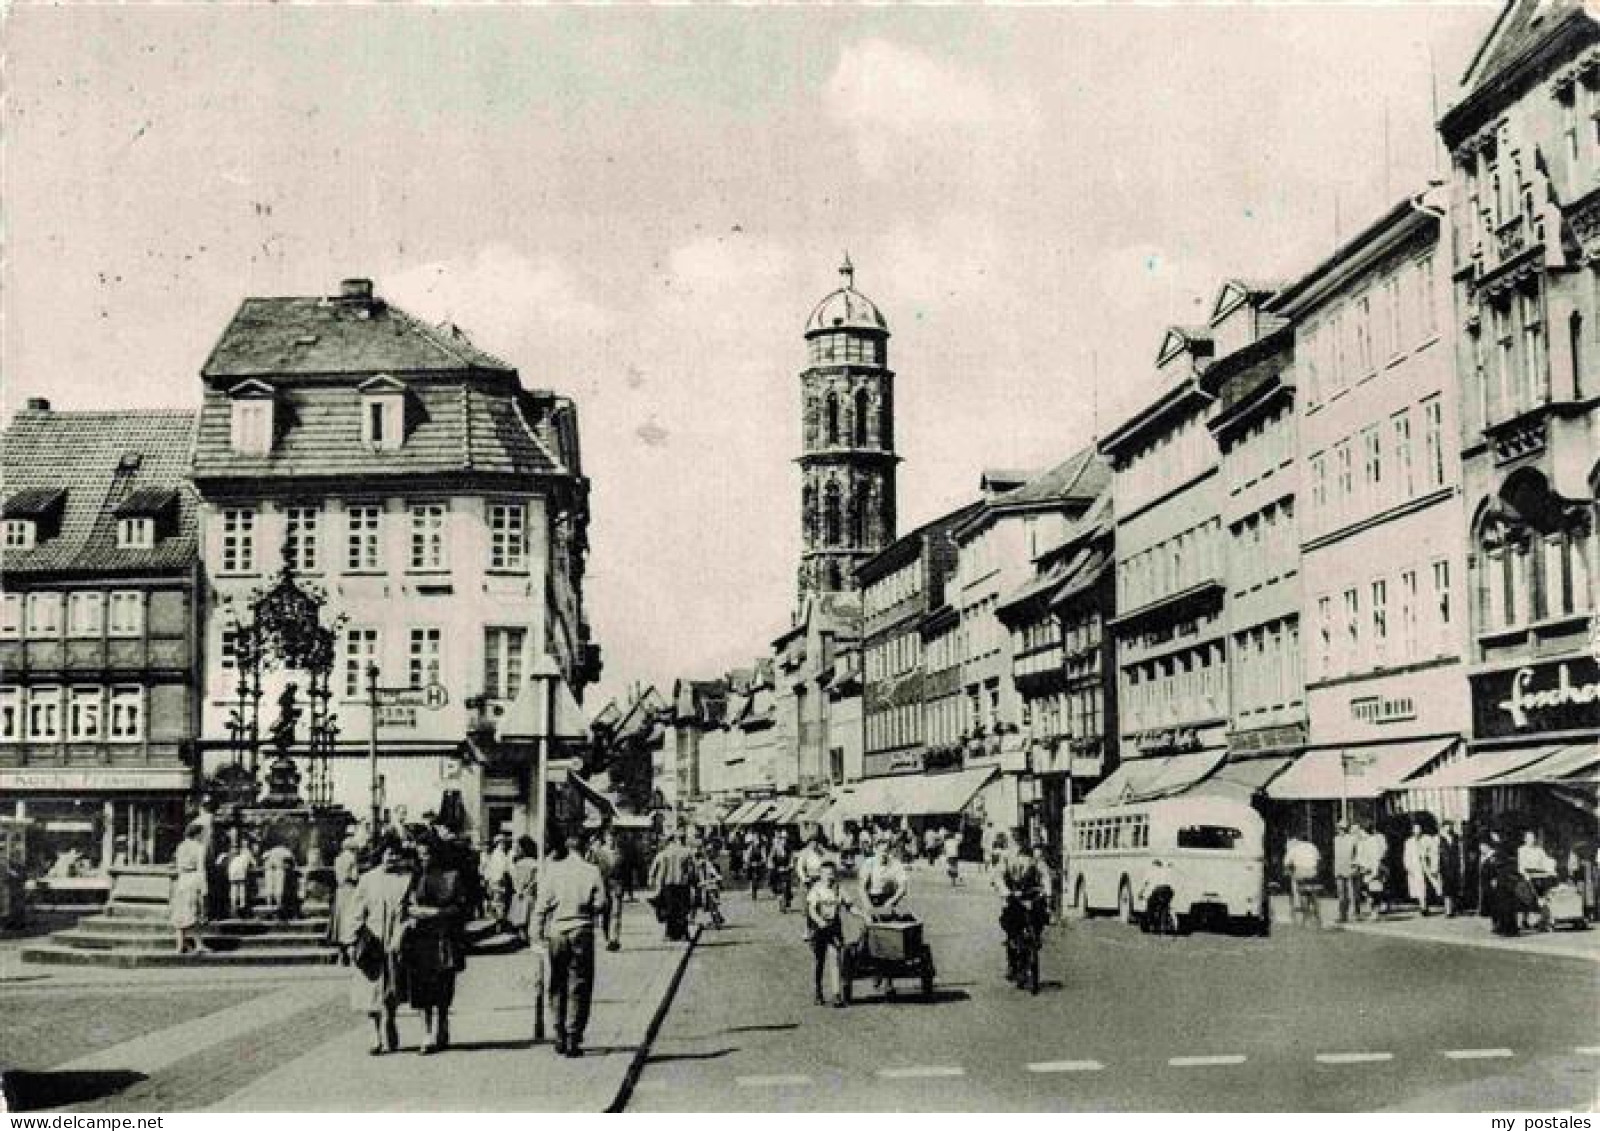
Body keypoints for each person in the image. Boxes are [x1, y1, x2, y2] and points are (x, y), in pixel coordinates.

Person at [536, 829, 608, 1058]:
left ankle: (558, 1034)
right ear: (586, 848)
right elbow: (601, 903)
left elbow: (541, 904)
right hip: (581, 930)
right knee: (579, 984)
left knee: (557, 982)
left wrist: (536, 933)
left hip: (557, 932)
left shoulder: (553, 870)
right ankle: (572, 1036)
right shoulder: (592, 871)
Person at [403, 835, 468, 1055]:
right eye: (419, 854)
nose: (423, 859)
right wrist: (413, 911)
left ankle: (442, 1025)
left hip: (444, 937)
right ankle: (427, 1033)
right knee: (422, 987)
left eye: (427, 853)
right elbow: (407, 903)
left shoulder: (452, 876)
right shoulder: (416, 876)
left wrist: (437, 913)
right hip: (421, 938)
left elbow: (460, 907)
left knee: (443, 986)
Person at [351, 835, 414, 1055]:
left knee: (392, 990)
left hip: (395, 942)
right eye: (388, 853)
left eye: (396, 854)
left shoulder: (406, 879)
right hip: (372, 943)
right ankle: (374, 1034)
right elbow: (357, 913)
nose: (392, 858)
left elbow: (410, 912)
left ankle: (390, 1023)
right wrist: (353, 940)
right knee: (370, 990)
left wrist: (402, 933)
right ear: (381, 855)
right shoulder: (367, 879)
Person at [806, 858, 853, 1007]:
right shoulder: (816, 889)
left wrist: (863, 914)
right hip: (819, 928)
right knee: (819, 961)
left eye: (832, 874)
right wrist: (819, 921)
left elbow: (850, 906)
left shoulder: (839, 888)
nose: (829, 877)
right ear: (820, 875)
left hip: (834, 927)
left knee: (835, 959)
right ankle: (818, 991)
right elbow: (812, 910)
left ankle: (836, 994)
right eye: (826, 874)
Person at [997, 842, 1048, 979]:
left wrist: (1046, 892)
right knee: (1010, 924)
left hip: (1031, 896)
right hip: (1014, 897)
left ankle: (1036, 935)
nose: (1025, 861)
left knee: (1041, 913)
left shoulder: (1037, 863)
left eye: (1028, 858)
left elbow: (1046, 877)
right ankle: (1012, 963)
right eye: (1022, 857)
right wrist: (1006, 892)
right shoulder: (1008, 861)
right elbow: (999, 877)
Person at [168, 822, 209, 955]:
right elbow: (201, 867)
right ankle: (199, 944)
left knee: (181, 913)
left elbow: (178, 867)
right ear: (197, 834)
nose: (203, 835)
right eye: (202, 833)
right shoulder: (199, 847)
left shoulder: (181, 846)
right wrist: (204, 887)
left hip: (182, 880)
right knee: (194, 913)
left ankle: (180, 945)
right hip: (193, 878)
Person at [648, 831, 696, 942]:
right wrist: (692, 880)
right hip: (683, 884)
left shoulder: (664, 853)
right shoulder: (687, 852)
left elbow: (654, 867)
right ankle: (684, 934)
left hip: (667, 884)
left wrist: (651, 879)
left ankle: (670, 934)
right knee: (683, 909)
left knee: (670, 909)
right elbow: (692, 869)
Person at [587, 827, 623, 951]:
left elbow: (625, 869)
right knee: (605, 914)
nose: (611, 840)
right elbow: (591, 868)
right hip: (602, 885)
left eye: (613, 837)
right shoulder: (598, 853)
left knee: (616, 913)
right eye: (609, 837)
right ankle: (607, 938)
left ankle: (615, 939)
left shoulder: (620, 853)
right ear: (605, 838)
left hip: (616, 885)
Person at [327, 835, 361, 963]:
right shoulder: (352, 858)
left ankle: (341, 954)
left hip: (340, 890)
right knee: (351, 918)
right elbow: (354, 876)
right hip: (350, 890)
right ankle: (350, 952)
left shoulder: (338, 859)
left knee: (341, 920)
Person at [1517, 830, 1556, 931]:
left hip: (1540, 875)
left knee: (1544, 896)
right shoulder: (1521, 850)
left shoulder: (1539, 850)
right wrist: (1525, 874)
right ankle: (1524, 920)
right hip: (1527, 875)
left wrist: (1551, 869)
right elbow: (1520, 865)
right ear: (1525, 839)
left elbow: (1546, 861)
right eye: (1529, 838)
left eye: (1533, 838)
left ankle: (1544, 919)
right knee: (1528, 896)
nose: (1531, 840)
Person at [861, 837, 910, 915]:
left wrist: (891, 902)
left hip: (890, 898)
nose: (884, 855)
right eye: (881, 851)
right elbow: (862, 888)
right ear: (875, 850)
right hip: (872, 899)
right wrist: (869, 907)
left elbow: (903, 887)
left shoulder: (896, 864)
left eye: (886, 851)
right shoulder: (868, 863)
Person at [508, 835, 540, 946]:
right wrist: (528, 888)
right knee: (529, 916)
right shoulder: (535, 863)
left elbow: (513, 879)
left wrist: (518, 890)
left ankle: (523, 937)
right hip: (528, 893)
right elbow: (536, 880)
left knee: (521, 917)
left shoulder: (518, 864)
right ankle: (528, 937)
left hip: (519, 893)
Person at [1284, 835, 1321, 926]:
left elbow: (1287, 862)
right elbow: (1318, 859)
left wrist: (1290, 870)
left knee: (1302, 893)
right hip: (1312, 872)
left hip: (1301, 871)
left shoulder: (1295, 848)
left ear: (1299, 840)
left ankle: (1305, 916)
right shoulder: (1313, 847)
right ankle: (1317, 915)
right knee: (1313, 892)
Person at [1357, 823, 1389, 919]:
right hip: (1365, 869)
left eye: (1361, 831)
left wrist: (1374, 871)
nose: (1359, 833)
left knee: (1375, 892)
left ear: (1365, 831)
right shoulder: (1363, 842)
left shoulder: (1373, 841)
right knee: (1367, 891)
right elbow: (1360, 856)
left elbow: (1376, 857)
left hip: (1373, 870)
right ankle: (1373, 911)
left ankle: (1375, 912)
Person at [1332, 822, 1358, 923]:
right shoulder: (1336, 839)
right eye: (1339, 828)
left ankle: (1353, 914)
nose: (1340, 830)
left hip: (1350, 869)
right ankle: (1342, 914)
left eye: (1342, 828)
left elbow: (1357, 853)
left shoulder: (1352, 839)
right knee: (1341, 893)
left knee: (1352, 893)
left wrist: (1355, 864)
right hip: (1339, 869)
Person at [262, 840, 296, 917]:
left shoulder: (270, 851)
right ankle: (278, 905)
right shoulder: (284, 850)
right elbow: (292, 859)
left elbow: (263, 857)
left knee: (269, 888)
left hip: (269, 870)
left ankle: (269, 906)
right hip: (279, 869)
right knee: (279, 888)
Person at [227, 837, 257, 917]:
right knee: (242, 888)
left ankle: (233, 905)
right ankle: (242, 906)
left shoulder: (232, 852)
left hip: (232, 870)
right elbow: (254, 863)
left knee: (233, 888)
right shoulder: (247, 852)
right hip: (240, 870)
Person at [1438, 821, 1463, 918]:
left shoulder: (1456, 838)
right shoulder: (1439, 839)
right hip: (1444, 867)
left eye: (1450, 827)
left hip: (1455, 866)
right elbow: (1436, 853)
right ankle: (1448, 911)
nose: (1449, 829)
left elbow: (1460, 853)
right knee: (1446, 889)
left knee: (1454, 888)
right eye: (1447, 827)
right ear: (1443, 828)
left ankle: (1454, 908)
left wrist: (1460, 865)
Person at [1401, 824, 1428, 914]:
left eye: (1419, 831)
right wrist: (1408, 866)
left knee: (1424, 887)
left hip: (1425, 866)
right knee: (1420, 887)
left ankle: (1424, 906)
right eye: (1415, 831)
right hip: (1415, 867)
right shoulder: (1409, 842)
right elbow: (1406, 856)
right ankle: (1423, 907)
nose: (1417, 833)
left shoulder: (1426, 840)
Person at [769, 832, 794, 912]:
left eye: (785, 839)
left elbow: (791, 858)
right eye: (782, 839)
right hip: (777, 870)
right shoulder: (775, 849)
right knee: (776, 886)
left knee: (788, 885)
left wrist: (790, 865)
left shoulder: (789, 849)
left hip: (786, 870)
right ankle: (780, 900)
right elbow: (770, 859)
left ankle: (788, 898)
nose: (784, 840)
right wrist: (772, 865)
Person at [746, 832, 767, 901]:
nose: (756, 840)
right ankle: (752, 889)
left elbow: (764, 857)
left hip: (759, 864)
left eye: (757, 838)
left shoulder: (762, 847)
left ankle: (757, 885)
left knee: (760, 876)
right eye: (754, 838)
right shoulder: (750, 847)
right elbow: (747, 856)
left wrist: (761, 862)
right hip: (751, 864)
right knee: (750, 876)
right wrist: (748, 862)